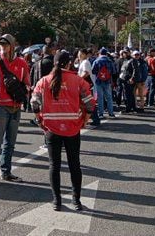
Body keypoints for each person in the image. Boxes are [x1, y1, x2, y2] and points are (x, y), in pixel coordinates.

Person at [31, 50, 94, 211]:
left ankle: (57, 201)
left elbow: (34, 103)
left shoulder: (44, 81)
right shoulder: (78, 81)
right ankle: (76, 200)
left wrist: (40, 120)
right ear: (69, 63)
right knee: (75, 165)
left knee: (54, 165)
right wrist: (84, 121)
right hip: (72, 128)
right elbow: (89, 103)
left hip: (51, 128)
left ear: (54, 63)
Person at [0, 34, 30, 186]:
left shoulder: (22, 63)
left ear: (12, 45)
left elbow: (27, 83)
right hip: (1, 107)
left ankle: (6, 172)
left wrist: (23, 94)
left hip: (16, 107)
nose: (3, 48)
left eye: (6, 45)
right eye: (1, 45)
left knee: (10, 143)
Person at [91, 48, 116, 121]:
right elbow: (114, 71)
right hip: (107, 81)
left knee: (100, 97)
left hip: (98, 81)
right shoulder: (109, 61)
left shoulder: (97, 61)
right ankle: (111, 113)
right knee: (109, 97)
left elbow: (93, 71)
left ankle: (101, 113)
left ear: (100, 53)